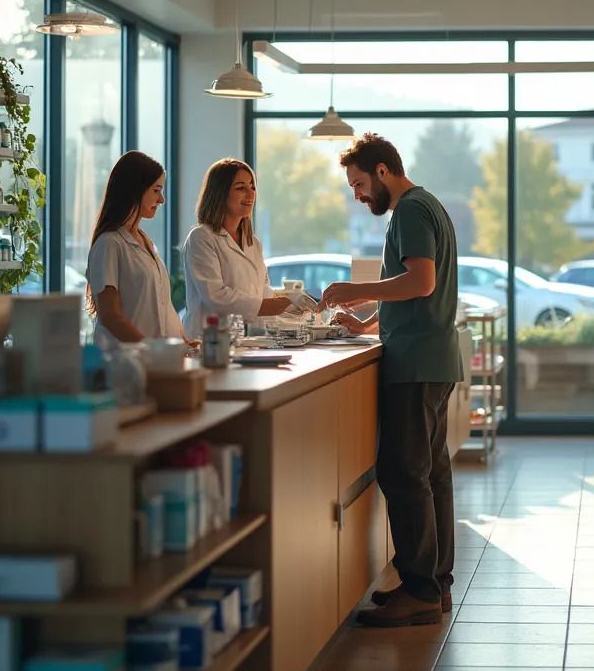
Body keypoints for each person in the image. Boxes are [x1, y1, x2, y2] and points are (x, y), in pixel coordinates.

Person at [320, 133, 462, 628]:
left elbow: (420, 282)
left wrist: (355, 291)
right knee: (430, 475)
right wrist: (365, 323)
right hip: (433, 360)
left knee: (404, 475)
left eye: (359, 184)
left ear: (383, 171)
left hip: (417, 367)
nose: (358, 195)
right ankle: (434, 585)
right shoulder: (429, 206)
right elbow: (417, 290)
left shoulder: (409, 211)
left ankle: (421, 590)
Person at [181, 158, 316, 338]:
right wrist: (267, 306)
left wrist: (294, 305)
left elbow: (262, 291)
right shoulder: (201, 237)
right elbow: (216, 296)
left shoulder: (252, 242)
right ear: (220, 193)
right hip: (208, 341)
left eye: (252, 186)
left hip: (246, 341)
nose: (250, 193)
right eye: (240, 188)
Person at [86, 151, 185, 347]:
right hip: (126, 363)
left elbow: (164, 308)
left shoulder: (145, 241)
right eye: (156, 191)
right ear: (135, 190)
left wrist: (183, 343)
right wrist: (153, 350)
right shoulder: (109, 244)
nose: (162, 200)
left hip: (156, 361)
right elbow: (110, 316)